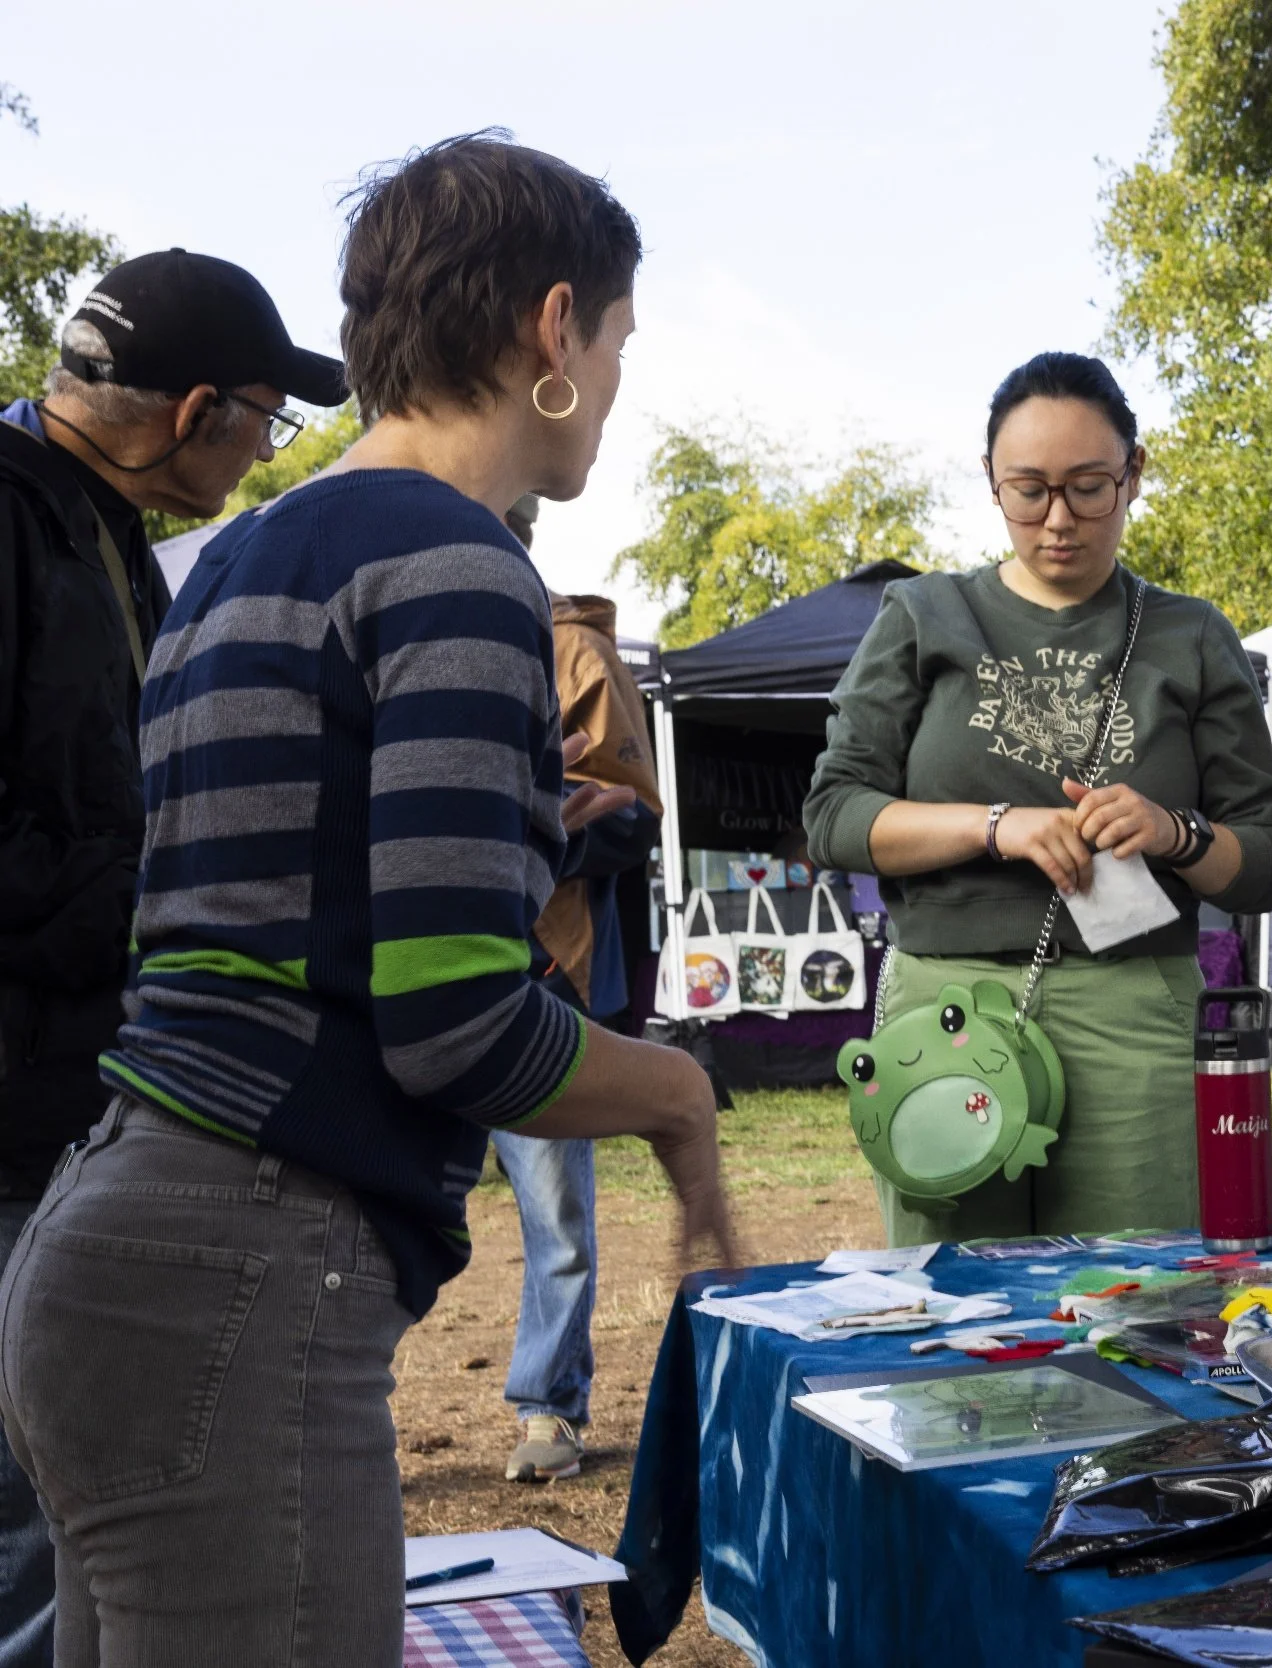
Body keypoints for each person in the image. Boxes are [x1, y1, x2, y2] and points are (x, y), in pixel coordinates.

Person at [0, 134, 740, 1667]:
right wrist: (677, 1100)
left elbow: (272, 916)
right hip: (238, 1278)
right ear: (554, 327)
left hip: (102, 1242)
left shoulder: (232, 559)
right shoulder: (460, 567)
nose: (611, 381)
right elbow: (457, 1024)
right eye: (615, 341)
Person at [0, 247, 344, 1668]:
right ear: (200, 406)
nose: (266, 451)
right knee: (33, 1511)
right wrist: (166, 898)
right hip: (12, 1110)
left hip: (79, 1091)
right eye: (268, 418)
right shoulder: (12, 523)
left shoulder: (104, 534)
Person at [803, 351, 1272, 1244]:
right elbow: (835, 818)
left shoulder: (1191, 634)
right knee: (962, 1323)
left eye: (1090, 487)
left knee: (1137, 1313)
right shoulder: (921, 616)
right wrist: (999, 827)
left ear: (1135, 474)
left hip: (1133, 1010)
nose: (1058, 521)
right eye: (1028, 491)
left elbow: (1262, 863)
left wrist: (1172, 832)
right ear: (990, 482)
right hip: (946, 1013)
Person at [492, 484, 664, 1485]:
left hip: (540, 977)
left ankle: (547, 1411)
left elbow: (639, 818)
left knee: (556, 1211)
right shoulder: (388, 614)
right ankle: (338, 1414)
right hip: (401, 970)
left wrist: (558, 819)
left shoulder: (573, 653)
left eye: (503, 523)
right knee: (364, 1205)